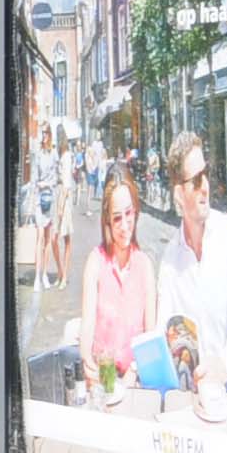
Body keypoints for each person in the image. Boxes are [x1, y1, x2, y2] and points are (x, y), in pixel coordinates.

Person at [160, 134, 227, 417]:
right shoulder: (169, 261)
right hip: (193, 400)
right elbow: (162, 333)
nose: (205, 186)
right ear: (179, 194)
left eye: (206, 175)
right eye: (196, 180)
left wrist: (221, 368)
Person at [80, 168, 153, 401]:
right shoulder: (95, 263)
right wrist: (89, 364)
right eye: (117, 218)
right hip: (103, 382)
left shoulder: (145, 267)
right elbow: (86, 330)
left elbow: (151, 341)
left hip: (135, 384)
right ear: (107, 221)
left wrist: (134, 371)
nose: (124, 225)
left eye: (129, 214)